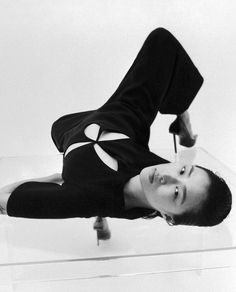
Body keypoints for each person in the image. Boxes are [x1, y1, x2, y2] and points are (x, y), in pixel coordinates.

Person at [0, 28, 232, 244]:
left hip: (69, 131)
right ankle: (182, 117)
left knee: (56, 127)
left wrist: (55, 178)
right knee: (162, 40)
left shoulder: (87, 197)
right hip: (122, 115)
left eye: (176, 193)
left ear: (169, 217)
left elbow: (2, 199)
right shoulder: (157, 170)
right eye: (183, 171)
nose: (167, 177)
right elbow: (162, 42)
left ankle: (103, 217)